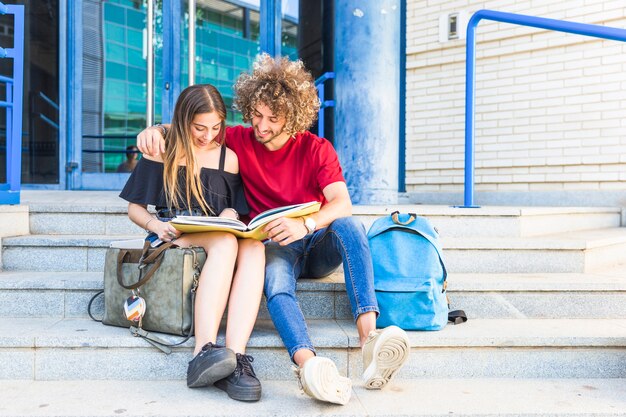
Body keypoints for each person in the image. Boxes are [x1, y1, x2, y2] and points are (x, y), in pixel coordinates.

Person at [137, 55, 410, 406]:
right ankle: (308, 365)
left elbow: (341, 202)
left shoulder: (317, 149)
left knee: (350, 226)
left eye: (273, 119)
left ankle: (369, 338)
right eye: (257, 114)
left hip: (315, 239)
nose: (261, 126)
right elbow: (195, 129)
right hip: (275, 245)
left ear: (293, 118)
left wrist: (306, 224)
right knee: (277, 282)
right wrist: (155, 130)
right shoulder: (238, 139)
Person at [121, 84, 265, 402]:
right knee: (226, 243)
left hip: (212, 234)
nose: (207, 135)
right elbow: (135, 209)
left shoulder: (228, 158)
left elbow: (233, 208)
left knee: (254, 248)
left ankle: (236, 358)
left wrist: (228, 213)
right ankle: (202, 351)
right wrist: (155, 225)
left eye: (215, 128)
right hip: (170, 239)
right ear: (183, 120)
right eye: (199, 127)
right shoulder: (162, 150)